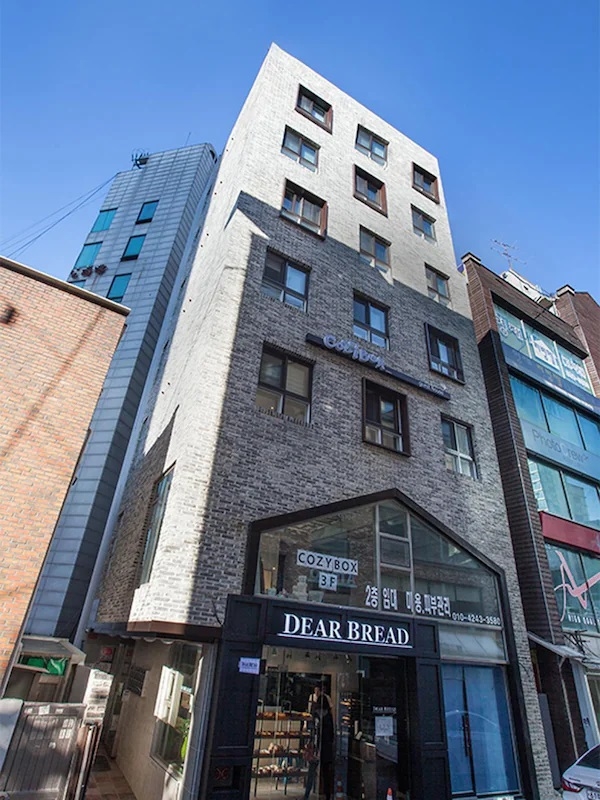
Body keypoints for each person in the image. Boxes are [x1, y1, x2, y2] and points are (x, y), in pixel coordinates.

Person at [302, 685, 334, 800]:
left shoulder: (315, 715)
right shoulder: (328, 717)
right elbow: (331, 735)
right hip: (324, 748)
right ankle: (327, 796)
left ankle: (307, 794)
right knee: (326, 773)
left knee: (311, 771)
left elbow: (311, 730)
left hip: (315, 747)